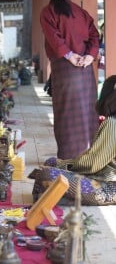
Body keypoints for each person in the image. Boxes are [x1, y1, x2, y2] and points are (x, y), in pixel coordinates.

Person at [31, 75, 116, 205]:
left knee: (46, 173)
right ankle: (61, 198)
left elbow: (93, 163)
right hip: (103, 177)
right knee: (51, 163)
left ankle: (63, 199)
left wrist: (66, 165)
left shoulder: (112, 124)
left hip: (108, 188)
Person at [40, 0, 100, 159]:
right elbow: (94, 35)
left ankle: (68, 157)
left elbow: (53, 37)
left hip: (65, 70)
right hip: (85, 70)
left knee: (66, 114)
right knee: (88, 113)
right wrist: (89, 55)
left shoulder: (47, 12)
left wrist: (69, 55)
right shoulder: (81, 13)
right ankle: (90, 156)